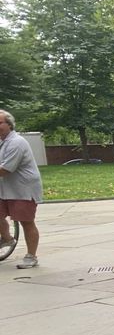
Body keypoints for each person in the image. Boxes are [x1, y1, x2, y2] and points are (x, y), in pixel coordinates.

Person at [0, 110, 43, 269]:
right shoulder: (2, 142)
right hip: (6, 188)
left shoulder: (17, 142)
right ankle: (7, 239)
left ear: (9, 125)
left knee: (26, 222)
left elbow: (6, 169)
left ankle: (31, 256)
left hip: (23, 189)